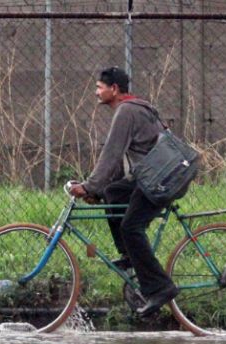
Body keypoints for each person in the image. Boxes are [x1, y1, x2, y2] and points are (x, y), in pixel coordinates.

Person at [68, 67, 180, 316]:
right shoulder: (137, 107)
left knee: (131, 227)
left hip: (159, 180)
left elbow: (112, 153)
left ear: (114, 89)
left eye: (99, 87)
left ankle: (160, 287)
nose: (96, 93)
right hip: (159, 175)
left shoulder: (126, 112)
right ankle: (130, 256)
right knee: (113, 192)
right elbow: (121, 163)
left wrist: (89, 186)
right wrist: (99, 190)